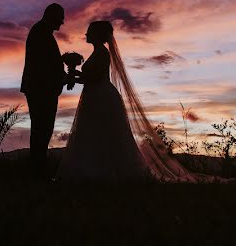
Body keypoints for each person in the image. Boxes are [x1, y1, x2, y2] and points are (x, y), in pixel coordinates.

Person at [57, 20, 196, 183]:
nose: (86, 34)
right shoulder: (97, 52)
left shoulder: (102, 53)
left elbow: (93, 79)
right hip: (95, 96)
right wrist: (74, 74)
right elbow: (90, 79)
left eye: (90, 31)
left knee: (103, 134)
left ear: (98, 34)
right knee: (93, 133)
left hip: (102, 97)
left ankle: (103, 173)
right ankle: (92, 171)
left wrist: (74, 74)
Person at [20, 3, 68, 180]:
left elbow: (50, 63)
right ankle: (38, 173)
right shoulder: (40, 32)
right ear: (51, 15)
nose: (62, 22)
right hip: (40, 89)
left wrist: (64, 75)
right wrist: (63, 77)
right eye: (60, 17)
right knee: (42, 129)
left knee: (42, 129)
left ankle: (38, 171)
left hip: (40, 88)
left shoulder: (42, 32)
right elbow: (46, 65)